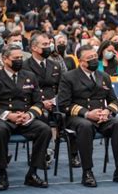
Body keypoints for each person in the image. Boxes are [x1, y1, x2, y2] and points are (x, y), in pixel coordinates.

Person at [58, 45, 118, 187]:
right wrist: (86, 113)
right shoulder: (69, 77)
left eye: (94, 57)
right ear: (81, 61)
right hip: (78, 117)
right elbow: (63, 104)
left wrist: (108, 111)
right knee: (85, 126)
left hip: (101, 116)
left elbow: (114, 100)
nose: (93, 60)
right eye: (89, 58)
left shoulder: (103, 76)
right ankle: (87, 171)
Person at [0, 45, 52, 191]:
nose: (19, 61)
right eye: (15, 58)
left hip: (24, 118)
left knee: (45, 130)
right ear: (4, 59)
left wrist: (29, 114)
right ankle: (2, 173)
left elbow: (38, 102)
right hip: (3, 119)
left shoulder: (29, 76)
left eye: (21, 58)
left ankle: (32, 173)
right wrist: (9, 115)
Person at [22, 32, 81, 168]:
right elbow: (23, 89)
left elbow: (63, 87)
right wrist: (41, 103)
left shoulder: (55, 65)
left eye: (49, 44)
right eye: (44, 45)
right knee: (42, 116)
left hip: (55, 102)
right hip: (34, 103)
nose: (49, 47)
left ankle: (73, 154)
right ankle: (41, 154)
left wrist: (54, 101)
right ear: (34, 48)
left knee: (70, 115)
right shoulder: (25, 66)